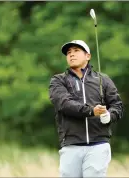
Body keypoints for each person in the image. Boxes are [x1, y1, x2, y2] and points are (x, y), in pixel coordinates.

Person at [49, 40, 124, 177]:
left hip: (98, 144)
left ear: (88, 56)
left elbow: (117, 106)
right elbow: (64, 104)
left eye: (76, 51)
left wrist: (109, 115)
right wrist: (91, 111)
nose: (71, 55)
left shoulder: (103, 80)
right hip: (71, 144)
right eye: (69, 52)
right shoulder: (59, 80)